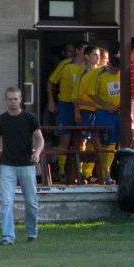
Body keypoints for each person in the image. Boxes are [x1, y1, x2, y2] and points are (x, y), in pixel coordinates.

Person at [0, 86, 45, 245]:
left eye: (15, 99)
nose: (13, 102)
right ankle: (7, 237)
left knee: (31, 201)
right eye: (10, 99)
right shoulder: (1, 120)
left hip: (27, 165)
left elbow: (40, 139)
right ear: (6, 100)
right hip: (7, 165)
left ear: (20, 99)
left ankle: (32, 233)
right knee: (7, 201)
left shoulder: (30, 118)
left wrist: (37, 153)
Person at [48, 40, 88, 183]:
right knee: (65, 138)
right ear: (77, 51)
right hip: (66, 104)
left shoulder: (91, 67)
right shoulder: (65, 64)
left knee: (82, 139)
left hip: (83, 106)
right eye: (84, 50)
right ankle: (61, 171)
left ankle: (80, 172)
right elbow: (51, 81)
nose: (86, 54)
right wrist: (51, 101)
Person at [88, 54, 122, 185]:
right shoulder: (99, 74)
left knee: (114, 143)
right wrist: (105, 105)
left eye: (118, 70)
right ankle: (103, 173)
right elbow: (91, 93)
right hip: (104, 112)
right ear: (110, 65)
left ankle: (108, 173)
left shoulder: (121, 74)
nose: (116, 72)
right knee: (105, 143)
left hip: (117, 112)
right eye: (115, 69)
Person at [71, 45, 101, 183]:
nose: (98, 57)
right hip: (85, 112)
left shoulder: (101, 72)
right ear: (87, 57)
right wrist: (78, 112)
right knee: (83, 141)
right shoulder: (82, 74)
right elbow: (74, 97)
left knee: (96, 143)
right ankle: (78, 173)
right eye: (95, 54)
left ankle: (87, 174)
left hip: (99, 113)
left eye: (99, 54)